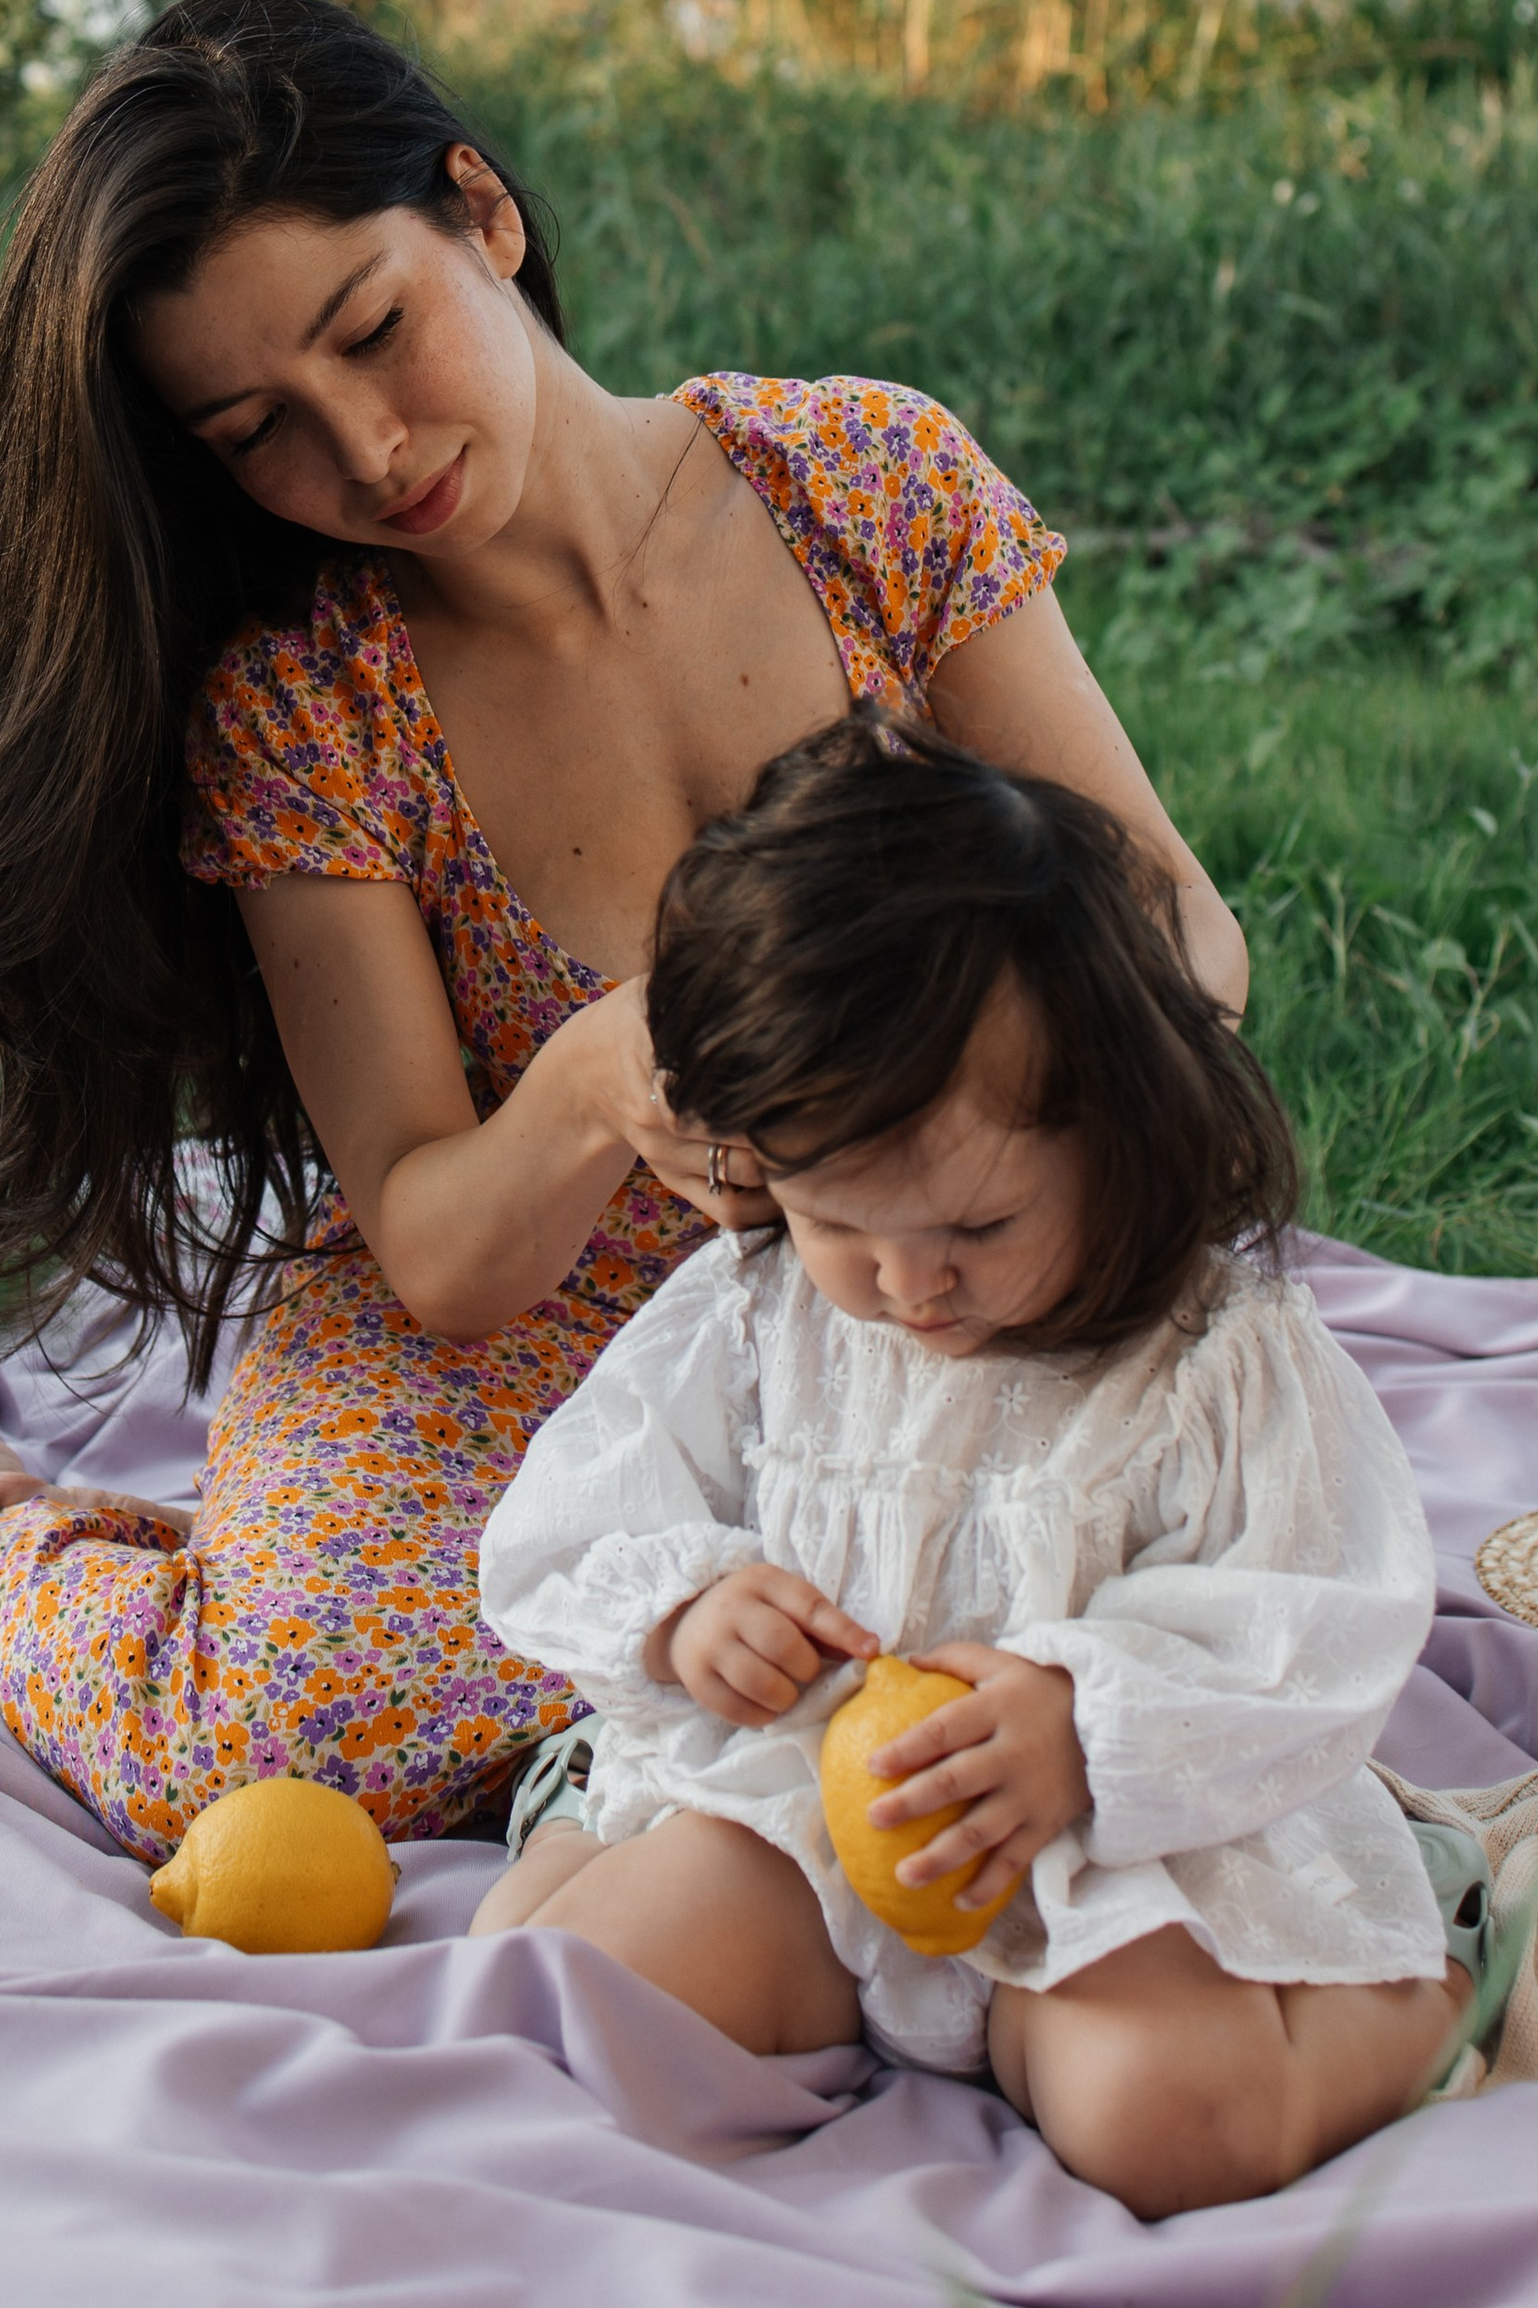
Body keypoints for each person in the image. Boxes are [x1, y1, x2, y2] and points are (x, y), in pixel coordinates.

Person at [0, 0, 1249, 1861]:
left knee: (1122, 1605)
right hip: (527, 1336)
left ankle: (297, 1555)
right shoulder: (311, 701)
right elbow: (437, 1240)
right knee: (279, 1741)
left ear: (483, 211)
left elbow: (1183, 929)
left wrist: (992, 1098)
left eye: (375, 330)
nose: (372, 449)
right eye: (260, 430)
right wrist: (596, 1078)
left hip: (928, 1258)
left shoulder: (866, 483)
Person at [474, 716, 1474, 2220]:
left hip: (1109, 1845)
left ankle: (1438, 1988)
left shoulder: (1215, 1360)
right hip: (802, 1806)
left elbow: (1322, 1610)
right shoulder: (758, 1314)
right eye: (839, 1221)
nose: (908, 1285)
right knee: (572, 2000)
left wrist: (1083, 1718)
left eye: (979, 1227)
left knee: (1175, 2125)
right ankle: (635, 1886)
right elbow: (571, 1513)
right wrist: (688, 1611)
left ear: (1120, 1126)